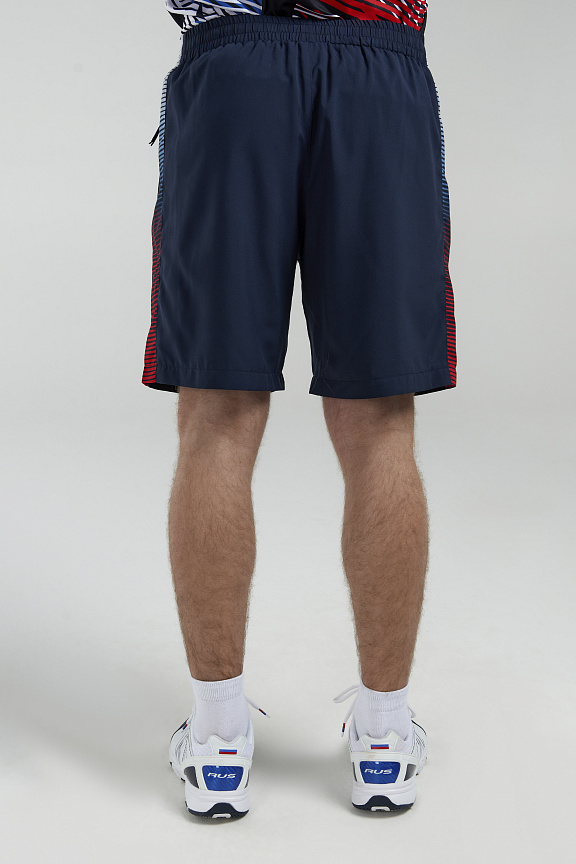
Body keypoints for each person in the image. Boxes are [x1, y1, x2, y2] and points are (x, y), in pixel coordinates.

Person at [142, 0, 457, 819]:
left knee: (217, 415)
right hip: (378, 69)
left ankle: (218, 744)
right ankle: (384, 741)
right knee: (379, 421)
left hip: (233, 69)